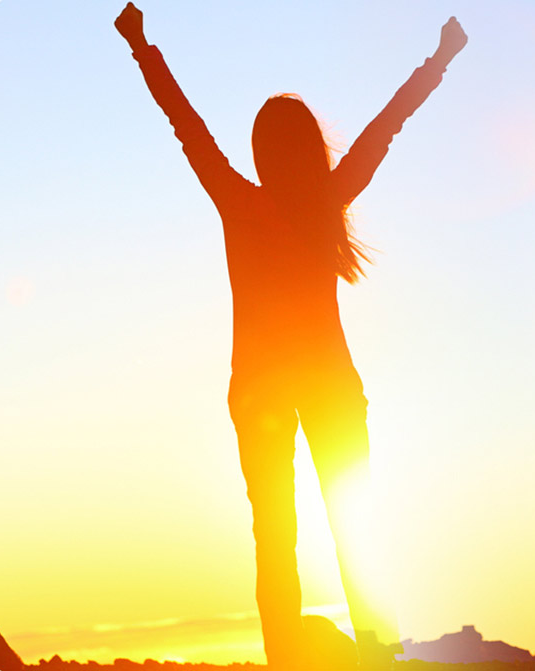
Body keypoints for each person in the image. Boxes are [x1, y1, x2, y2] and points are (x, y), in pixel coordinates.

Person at [114, 4, 466, 669]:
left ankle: (287, 658)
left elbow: (184, 123)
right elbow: (385, 128)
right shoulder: (323, 200)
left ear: (262, 151)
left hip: (262, 393)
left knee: (276, 536)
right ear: (308, 148)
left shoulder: (242, 203)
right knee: (353, 526)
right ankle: (379, 655)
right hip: (321, 387)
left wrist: (140, 44)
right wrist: (441, 59)